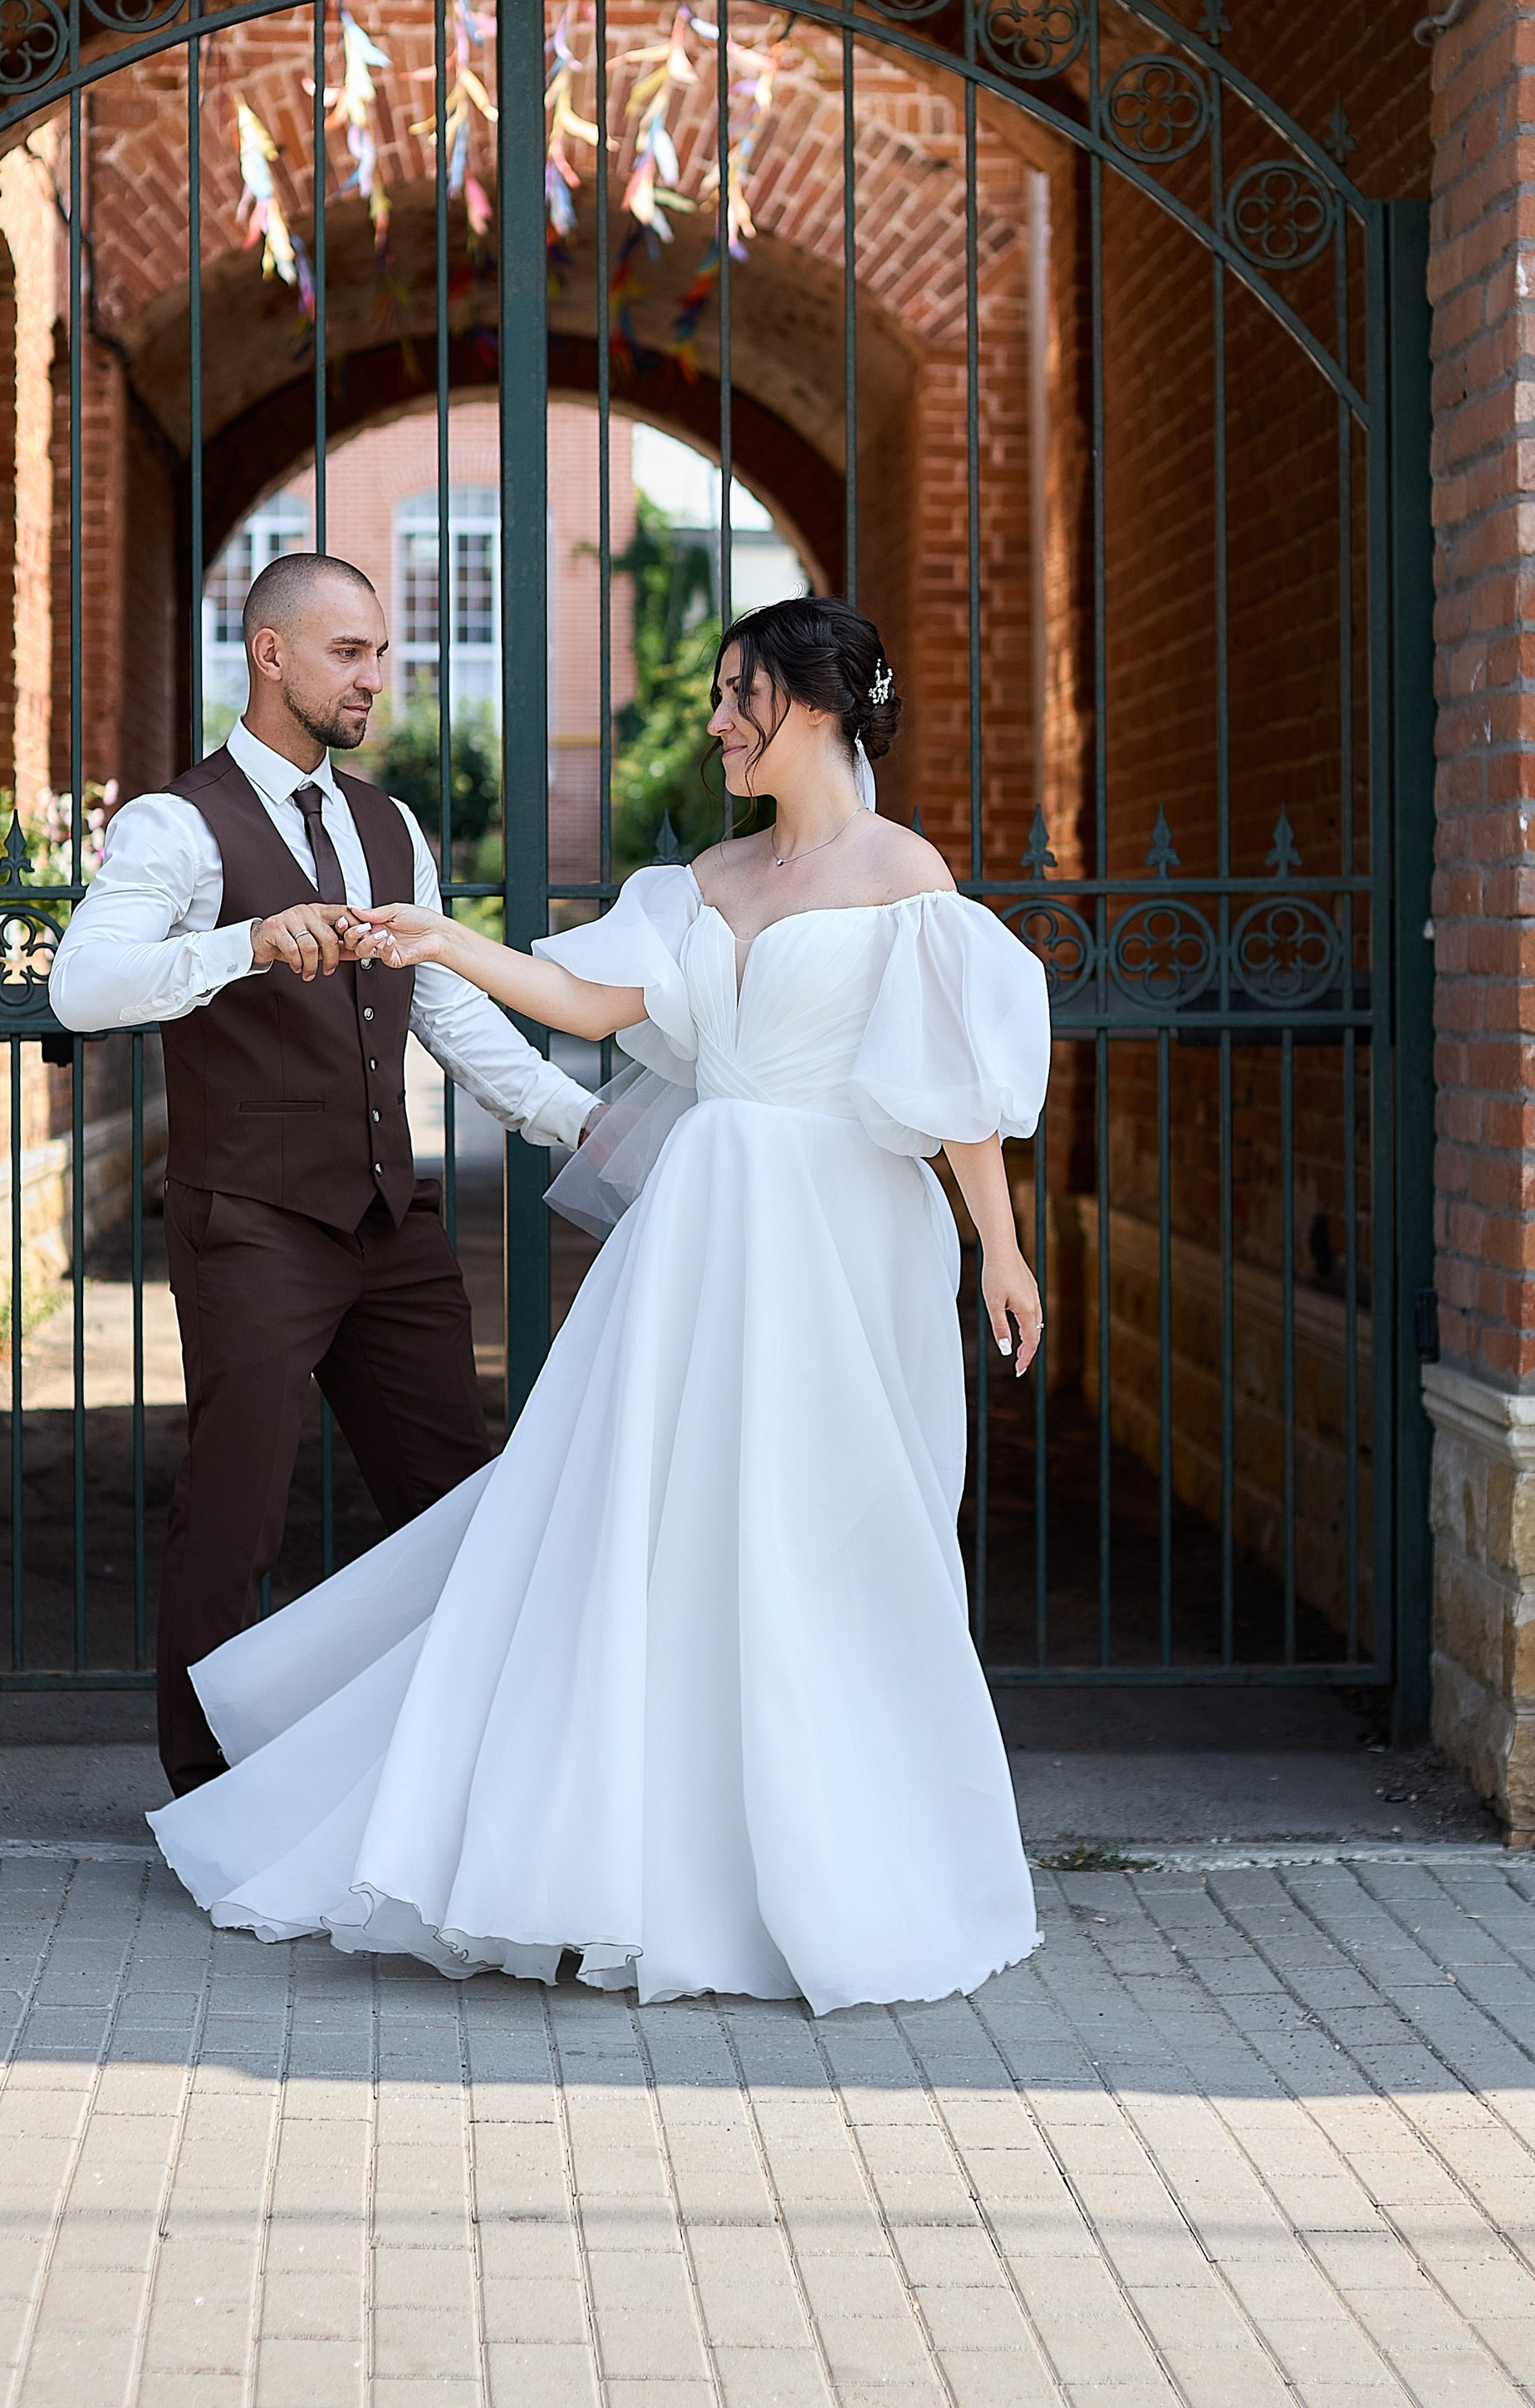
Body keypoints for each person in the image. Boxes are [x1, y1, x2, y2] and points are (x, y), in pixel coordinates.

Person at [145, 592, 1053, 2015]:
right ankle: (644, 1854)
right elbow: (581, 997)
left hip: (842, 1240)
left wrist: (999, 1247)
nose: (714, 722)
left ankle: (847, 1857)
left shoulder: (904, 873)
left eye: (736, 694)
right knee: (667, 1531)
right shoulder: (705, 877)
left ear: (813, 704)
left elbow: (956, 1095)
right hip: (700, 1241)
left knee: (834, 1533)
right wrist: (440, 945)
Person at [46, 552, 593, 1796]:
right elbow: (83, 987)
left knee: (461, 1501)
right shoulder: (175, 825)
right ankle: (209, 1791)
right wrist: (238, 944)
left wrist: (585, 1128)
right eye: (349, 653)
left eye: (382, 655)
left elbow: (449, 1010)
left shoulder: (390, 827)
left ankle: (468, 1774)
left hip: (390, 1227)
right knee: (235, 1512)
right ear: (271, 653)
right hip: (252, 1222)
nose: (375, 679)